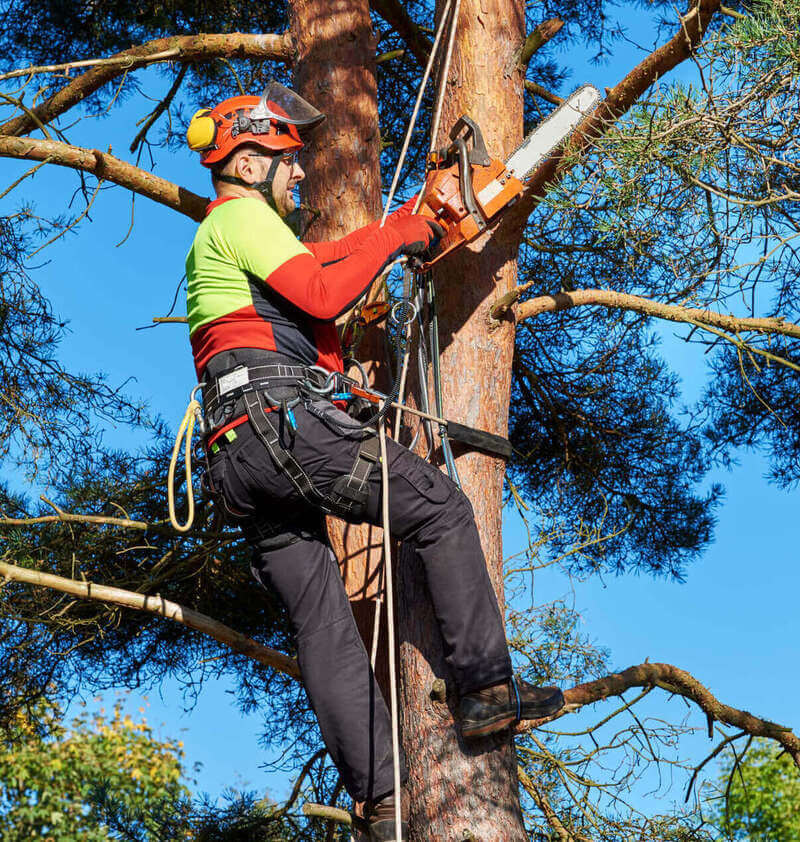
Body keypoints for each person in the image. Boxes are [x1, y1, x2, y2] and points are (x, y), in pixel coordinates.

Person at [185, 81, 565, 841]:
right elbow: (324, 290)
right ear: (252, 161)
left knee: (322, 622)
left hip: (237, 458)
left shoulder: (240, 246)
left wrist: (411, 230)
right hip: (280, 428)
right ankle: (485, 688)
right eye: (289, 161)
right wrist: (399, 231)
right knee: (439, 508)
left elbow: (322, 271)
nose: (299, 175)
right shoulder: (242, 219)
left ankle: (384, 801)